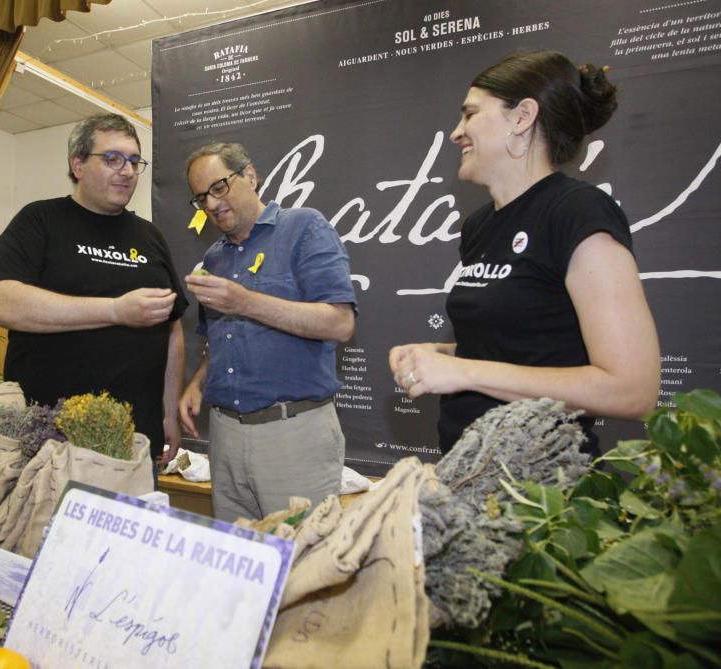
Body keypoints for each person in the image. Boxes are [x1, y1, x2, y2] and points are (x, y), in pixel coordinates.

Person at [389, 50, 660, 456]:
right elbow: (520, 350)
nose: (456, 132)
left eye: (470, 114)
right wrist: (440, 355)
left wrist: (462, 371)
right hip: (466, 473)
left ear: (522, 117)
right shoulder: (479, 226)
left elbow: (632, 390)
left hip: (541, 491)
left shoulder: (577, 212)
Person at [0, 113, 188, 468]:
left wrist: (169, 411)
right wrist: (116, 311)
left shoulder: (150, 236)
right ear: (78, 165)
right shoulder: (39, 220)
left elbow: (173, 328)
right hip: (50, 442)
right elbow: (4, 303)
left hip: (136, 440)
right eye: (113, 159)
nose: (127, 170)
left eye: (134, 161)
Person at [178, 141, 357, 522]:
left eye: (219, 187)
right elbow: (220, 339)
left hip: (292, 434)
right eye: (200, 198)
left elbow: (340, 323)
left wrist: (246, 302)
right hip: (224, 435)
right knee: (238, 567)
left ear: (250, 176)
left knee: (302, 566)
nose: (210, 204)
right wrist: (197, 382)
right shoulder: (214, 257)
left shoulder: (304, 227)